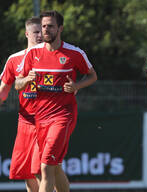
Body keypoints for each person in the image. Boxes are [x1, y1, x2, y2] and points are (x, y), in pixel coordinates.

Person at [15, 10, 97, 192]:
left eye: (50, 26)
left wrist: (76, 86)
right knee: (55, 166)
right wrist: (27, 80)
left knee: (45, 167)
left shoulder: (74, 53)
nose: (45, 30)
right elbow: (17, 84)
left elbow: (92, 76)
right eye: (43, 26)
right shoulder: (33, 53)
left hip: (63, 117)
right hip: (40, 119)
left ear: (60, 28)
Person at [0, 16, 42, 192]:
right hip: (25, 122)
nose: (40, 35)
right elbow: (3, 89)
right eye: (36, 32)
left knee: (41, 169)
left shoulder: (53, 58)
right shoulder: (14, 59)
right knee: (26, 172)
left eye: (43, 31)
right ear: (27, 34)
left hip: (47, 121)